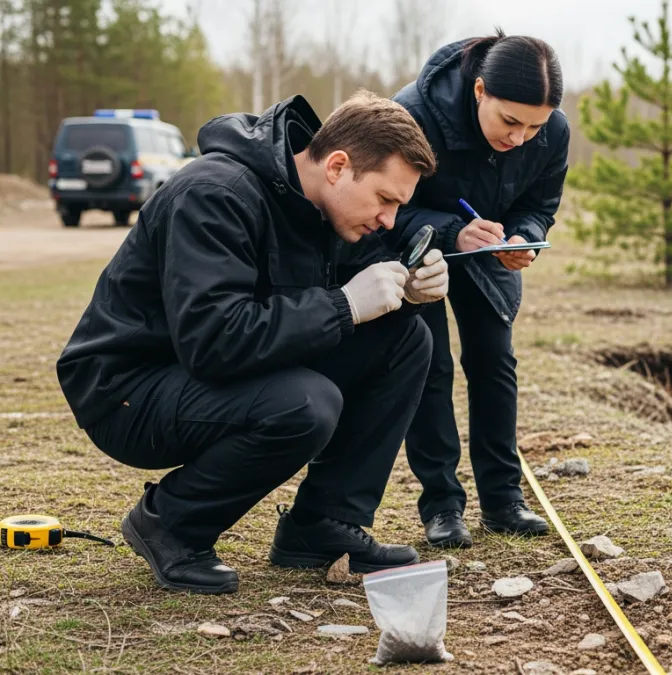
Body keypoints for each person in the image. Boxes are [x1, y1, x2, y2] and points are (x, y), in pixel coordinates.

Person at [55, 91, 449, 595]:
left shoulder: (324, 210)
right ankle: (170, 523)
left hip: (199, 374)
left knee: (405, 338)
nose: (390, 220)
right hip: (125, 389)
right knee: (306, 404)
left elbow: (355, 303)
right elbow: (213, 341)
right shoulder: (215, 194)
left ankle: (320, 524)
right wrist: (345, 304)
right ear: (337, 167)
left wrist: (409, 294)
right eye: (386, 199)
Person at [381, 31, 569, 548]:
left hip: (490, 254)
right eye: (510, 121)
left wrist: (525, 237)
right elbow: (384, 207)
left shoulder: (552, 132)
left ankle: (504, 499)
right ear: (481, 90)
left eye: (535, 126)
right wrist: (450, 231)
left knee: (493, 360)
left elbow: (539, 204)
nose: (520, 138)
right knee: (431, 367)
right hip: (419, 250)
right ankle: (441, 505)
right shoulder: (411, 114)